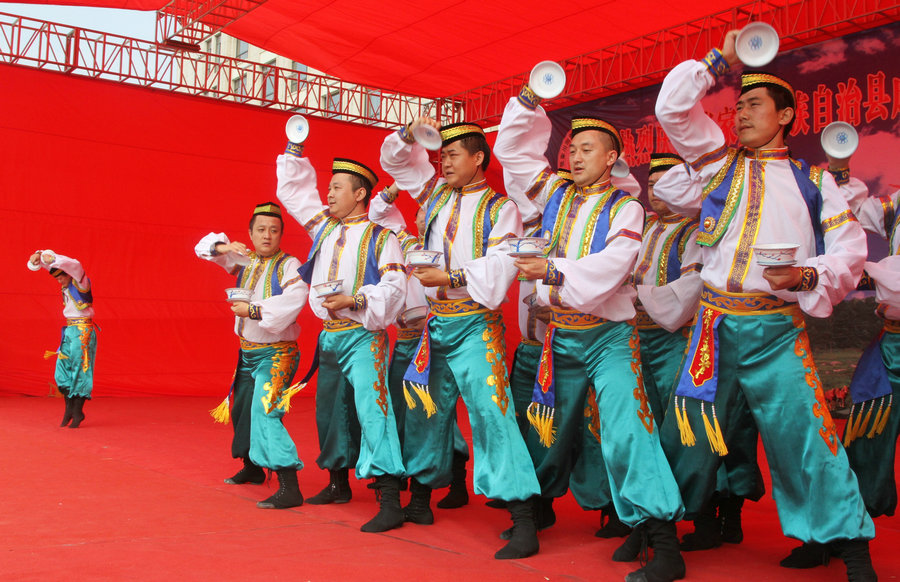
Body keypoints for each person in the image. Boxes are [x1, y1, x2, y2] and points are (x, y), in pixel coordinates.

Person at [652, 29, 876, 580]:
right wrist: (718, 61)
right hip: (713, 326)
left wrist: (805, 273)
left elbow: (850, 249)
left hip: (776, 330)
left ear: (786, 116)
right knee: (687, 430)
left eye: (755, 105)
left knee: (805, 436)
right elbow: (672, 109)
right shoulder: (716, 165)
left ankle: (846, 546)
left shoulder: (813, 182)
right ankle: (664, 541)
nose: (742, 114)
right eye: (739, 105)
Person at [494, 85, 686, 582]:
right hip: (560, 337)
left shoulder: (627, 209)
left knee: (627, 431)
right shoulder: (555, 193)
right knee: (545, 429)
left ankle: (662, 541)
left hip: (608, 339)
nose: (575, 158)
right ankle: (534, 516)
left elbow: (615, 264)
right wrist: (528, 100)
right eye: (571, 150)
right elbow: (511, 151)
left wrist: (552, 270)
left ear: (612, 158)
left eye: (586, 150)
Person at [380, 119, 542, 559]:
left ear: (478, 158)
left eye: (453, 155)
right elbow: (394, 161)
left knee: (493, 415)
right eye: (441, 156)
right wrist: (409, 134)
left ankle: (524, 519)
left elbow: (503, 262)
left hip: (475, 324)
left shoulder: (501, 208)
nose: (444, 163)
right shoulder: (434, 194)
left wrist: (450, 276)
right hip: (436, 324)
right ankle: (419, 502)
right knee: (424, 411)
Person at [275, 144, 408, 533]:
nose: (328, 194)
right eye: (329, 187)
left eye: (336, 187)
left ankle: (390, 498)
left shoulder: (383, 237)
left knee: (373, 410)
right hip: (329, 335)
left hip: (364, 335)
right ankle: (338, 483)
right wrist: (295, 149)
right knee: (330, 410)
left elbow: (396, 285)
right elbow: (295, 193)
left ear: (360, 193)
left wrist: (357, 299)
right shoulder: (324, 227)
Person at [195, 202, 308, 510]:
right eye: (261, 230)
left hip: (277, 353)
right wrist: (224, 246)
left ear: (281, 234)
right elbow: (203, 248)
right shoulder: (244, 260)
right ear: (250, 233)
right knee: (242, 411)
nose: (267, 236)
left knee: (265, 411)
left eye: (273, 230)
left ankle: (289, 483)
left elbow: (296, 298)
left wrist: (254, 310)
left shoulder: (289, 265)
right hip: (247, 351)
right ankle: (253, 466)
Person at [368, 184, 471, 510]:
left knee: (435, 412)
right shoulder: (406, 245)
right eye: (424, 215)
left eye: (436, 216)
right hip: (405, 342)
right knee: (399, 409)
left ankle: (456, 480)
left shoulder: (453, 252)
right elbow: (376, 213)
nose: (429, 220)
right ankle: (401, 475)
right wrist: (397, 185)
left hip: (435, 339)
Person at [842, 185, 900, 519]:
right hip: (892, 341)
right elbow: (855, 211)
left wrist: (870, 276)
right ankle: (858, 516)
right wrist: (840, 169)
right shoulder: (897, 202)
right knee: (868, 431)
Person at [29, 249, 97, 429]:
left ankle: (77, 411)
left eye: (61, 277)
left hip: (83, 330)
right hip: (70, 330)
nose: (59, 281)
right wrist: (39, 259)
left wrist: (45, 255)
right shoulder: (66, 285)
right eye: (57, 278)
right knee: (62, 369)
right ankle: (69, 409)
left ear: (69, 274)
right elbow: (53, 266)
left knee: (80, 369)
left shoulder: (80, 281)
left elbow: (74, 264)